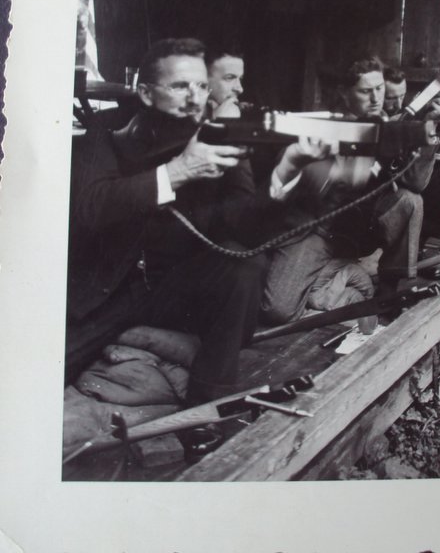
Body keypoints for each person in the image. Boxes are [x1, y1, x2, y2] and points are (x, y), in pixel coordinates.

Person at [65, 37, 326, 406]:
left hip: (174, 287)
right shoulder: (102, 134)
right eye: (179, 86)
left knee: (245, 266)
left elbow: (244, 227)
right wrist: (178, 172)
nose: (195, 98)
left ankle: (208, 409)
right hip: (109, 291)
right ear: (146, 93)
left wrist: (287, 169)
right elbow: (89, 208)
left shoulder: (218, 138)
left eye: (202, 86)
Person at [261, 55, 440, 325]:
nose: (376, 98)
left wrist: (430, 135)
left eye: (379, 88)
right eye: (365, 91)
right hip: (318, 231)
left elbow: (416, 183)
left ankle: (388, 292)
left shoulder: (389, 126)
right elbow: (310, 186)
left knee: (409, 200)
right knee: (277, 310)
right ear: (345, 93)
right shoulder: (324, 126)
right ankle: (340, 274)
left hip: (360, 230)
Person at [382, 61, 440, 245]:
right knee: (412, 195)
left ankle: (420, 243)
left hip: (411, 175)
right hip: (389, 184)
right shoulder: (380, 120)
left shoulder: (409, 113)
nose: (398, 104)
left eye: (402, 96)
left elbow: (426, 161)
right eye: (390, 98)